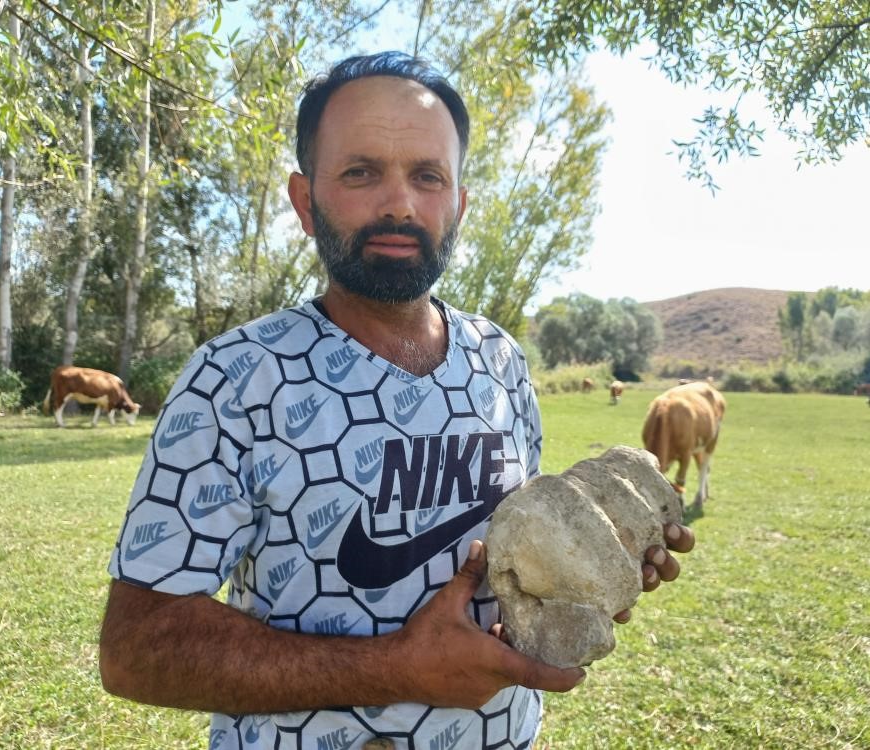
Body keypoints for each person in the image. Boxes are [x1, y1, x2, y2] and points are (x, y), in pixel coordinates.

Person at [99, 51, 695, 750]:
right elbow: (136, 648)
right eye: (360, 172)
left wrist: (593, 567)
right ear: (303, 200)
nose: (399, 203)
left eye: (427, 176)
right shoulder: (235, 378)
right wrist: (396, 669)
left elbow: (511, 568)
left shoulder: (501, 359)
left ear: (459, 204)